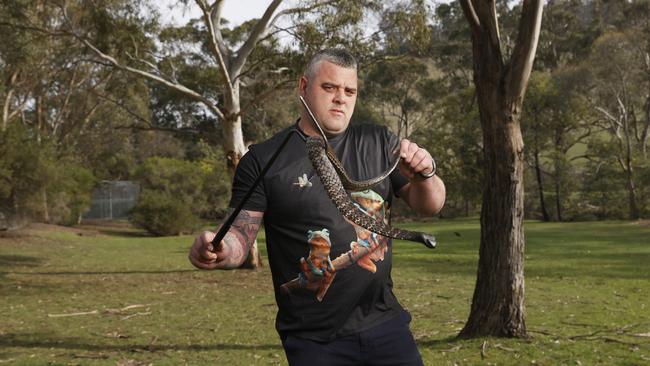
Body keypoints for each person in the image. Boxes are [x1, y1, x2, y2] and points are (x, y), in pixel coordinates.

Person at [189, 48, 446, 365]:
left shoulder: (380, 143)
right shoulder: (264, 159)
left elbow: (430, 205)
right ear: (303, 87)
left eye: (349, 90)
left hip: (385, 324)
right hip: (313, 340)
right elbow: (240, 236)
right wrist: (219, 248)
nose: (341, 98)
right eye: (329, 87)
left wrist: (426, 174)